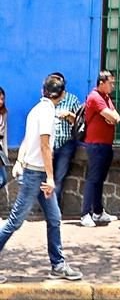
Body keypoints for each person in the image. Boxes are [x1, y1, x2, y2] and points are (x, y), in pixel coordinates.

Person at [0, 73, 83, 282]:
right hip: (36, 175)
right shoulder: (47, 112)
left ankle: (58, 265)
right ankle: (58, 264)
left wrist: (20, 160)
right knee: (14, 222)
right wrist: (51, 177)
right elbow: (45, 145)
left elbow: (28, 140)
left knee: (54, 219)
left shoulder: (37, 110)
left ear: (42, 91)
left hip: (35, 172)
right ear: (62, 95)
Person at [80, 70, 120, 228]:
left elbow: (116, 117)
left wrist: (112, 117)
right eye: (110, 83)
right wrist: (110, 117)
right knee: (93, 178)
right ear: (101, 83)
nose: (113, 86)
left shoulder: (106, 97)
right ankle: (85, 214)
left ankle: (97, 211)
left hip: (106, 144)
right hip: (95, 144)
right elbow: (110, 116)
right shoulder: (95, 97)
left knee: (99, 179)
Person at [51, 74, 81, 208]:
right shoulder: (47, 100)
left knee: (59, 178)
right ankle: (48, 207)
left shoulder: (72, 99)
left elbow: (80, 122)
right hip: (50, 144)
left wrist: (69, 116)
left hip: (66, 144)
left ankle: (54, 209)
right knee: (48, 178)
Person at [0, 87, 7, 192]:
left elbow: (4, 134)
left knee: (4, 179)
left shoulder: (4, 113)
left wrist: (5, 153)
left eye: (2, 99)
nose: (1, 102)